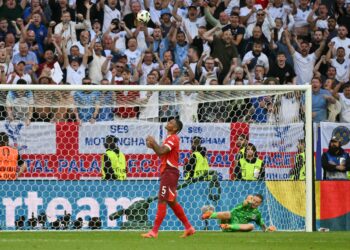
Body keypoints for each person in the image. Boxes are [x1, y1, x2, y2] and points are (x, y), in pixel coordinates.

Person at [141, 119, 195, 238]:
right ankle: (189, 227)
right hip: (169, 172)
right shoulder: (170, 138)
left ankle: (154, 232)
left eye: (171, 123)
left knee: (162, 200)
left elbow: (161, 151)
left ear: (175, 128)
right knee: (171, 202)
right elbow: (161, 153)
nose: (168, 123)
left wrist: (154, 142)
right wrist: (153, 146)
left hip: (169, 172)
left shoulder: (173, 138)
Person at [201, 194, 275, 232]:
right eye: (254, 200)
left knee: (252, 226)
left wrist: (268, 229)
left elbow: (262, 225)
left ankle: (228, 226)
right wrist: (248, 199)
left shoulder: (257, 214)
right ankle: (210, 215)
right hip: (227, 220)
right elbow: (245, 202)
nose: (254, 203)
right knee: (228, 213)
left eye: (257, 202)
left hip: (234, 227)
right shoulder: (246, 204)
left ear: (260, 204)